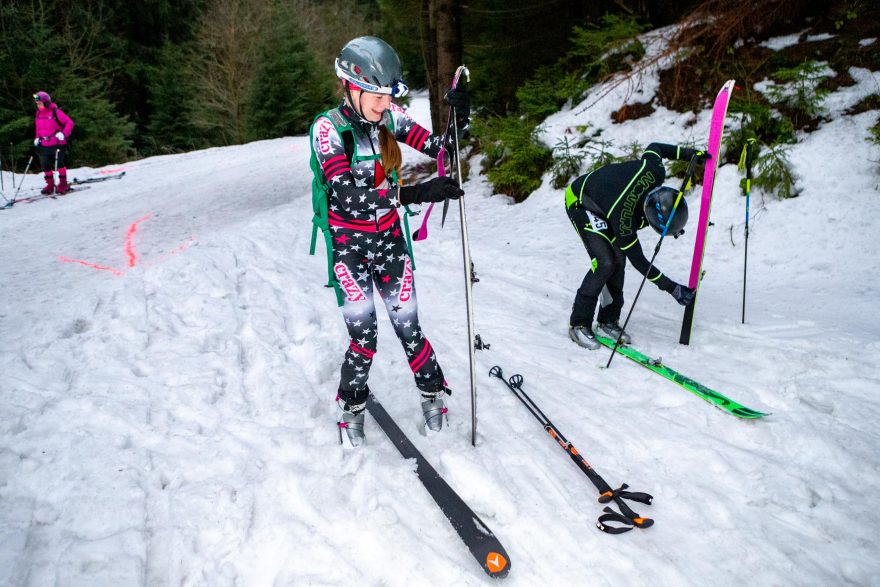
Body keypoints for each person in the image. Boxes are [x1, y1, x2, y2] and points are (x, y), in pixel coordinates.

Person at [309, 36, 469, 447]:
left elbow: (439, 148)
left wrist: (458, 119)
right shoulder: (328, 129)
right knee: (365, 338)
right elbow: (346, 195)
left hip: (391, 242)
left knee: (408, 326)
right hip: (350, 246)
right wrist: (411, 194)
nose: (384, 105)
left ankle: (433, 394)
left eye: (387, 96)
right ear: (351, 86)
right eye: (376, 97)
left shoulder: (388, 117)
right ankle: (351, 406)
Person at [564, 143, 711, 349]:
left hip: (607, 201)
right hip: (582, 201)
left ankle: (608, 320)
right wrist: (672, 288)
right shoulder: (625, 221)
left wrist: (691, 155)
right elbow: (641, 262)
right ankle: (578, 324)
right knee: (606, 262)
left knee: (618, 262)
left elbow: (656, 148)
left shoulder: (654, 171)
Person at [33, 91, 75, 195]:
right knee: (45, 164)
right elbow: (39, 128)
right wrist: (37, 138)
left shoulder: (56, 112)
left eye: (40, 103)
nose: (38, 106)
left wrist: (64, 134)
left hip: (57, 143)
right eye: (37, 104)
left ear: (46, 103)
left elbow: (69, 122)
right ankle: (50, 185)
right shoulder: (38, 114)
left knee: (59, 163)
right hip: (44, 144)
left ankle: (63, 184)